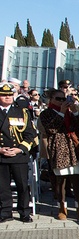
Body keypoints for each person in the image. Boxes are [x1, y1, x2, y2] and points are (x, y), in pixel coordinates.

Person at [38, 88, 79, 220]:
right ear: (51, 100)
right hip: (59, 147)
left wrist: (76, 112)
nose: (61, 102)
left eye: (63, 99)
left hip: (74, 147)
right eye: (58, 99)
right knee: (61, 180)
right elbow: (51, 129)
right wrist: (61, 113)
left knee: (76, 179)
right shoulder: (46, 113)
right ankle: (62, 208)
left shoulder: (71, 113)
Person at [0, 81, 38, 223]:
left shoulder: (22, 112)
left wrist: (19, 149)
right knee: (2, 186)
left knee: (22, 185)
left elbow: (30, 134)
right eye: (4, 95)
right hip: (1, 155)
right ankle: (5, 212)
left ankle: (24, 212)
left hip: (18, 155)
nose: (7, 97)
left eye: (10, 95)